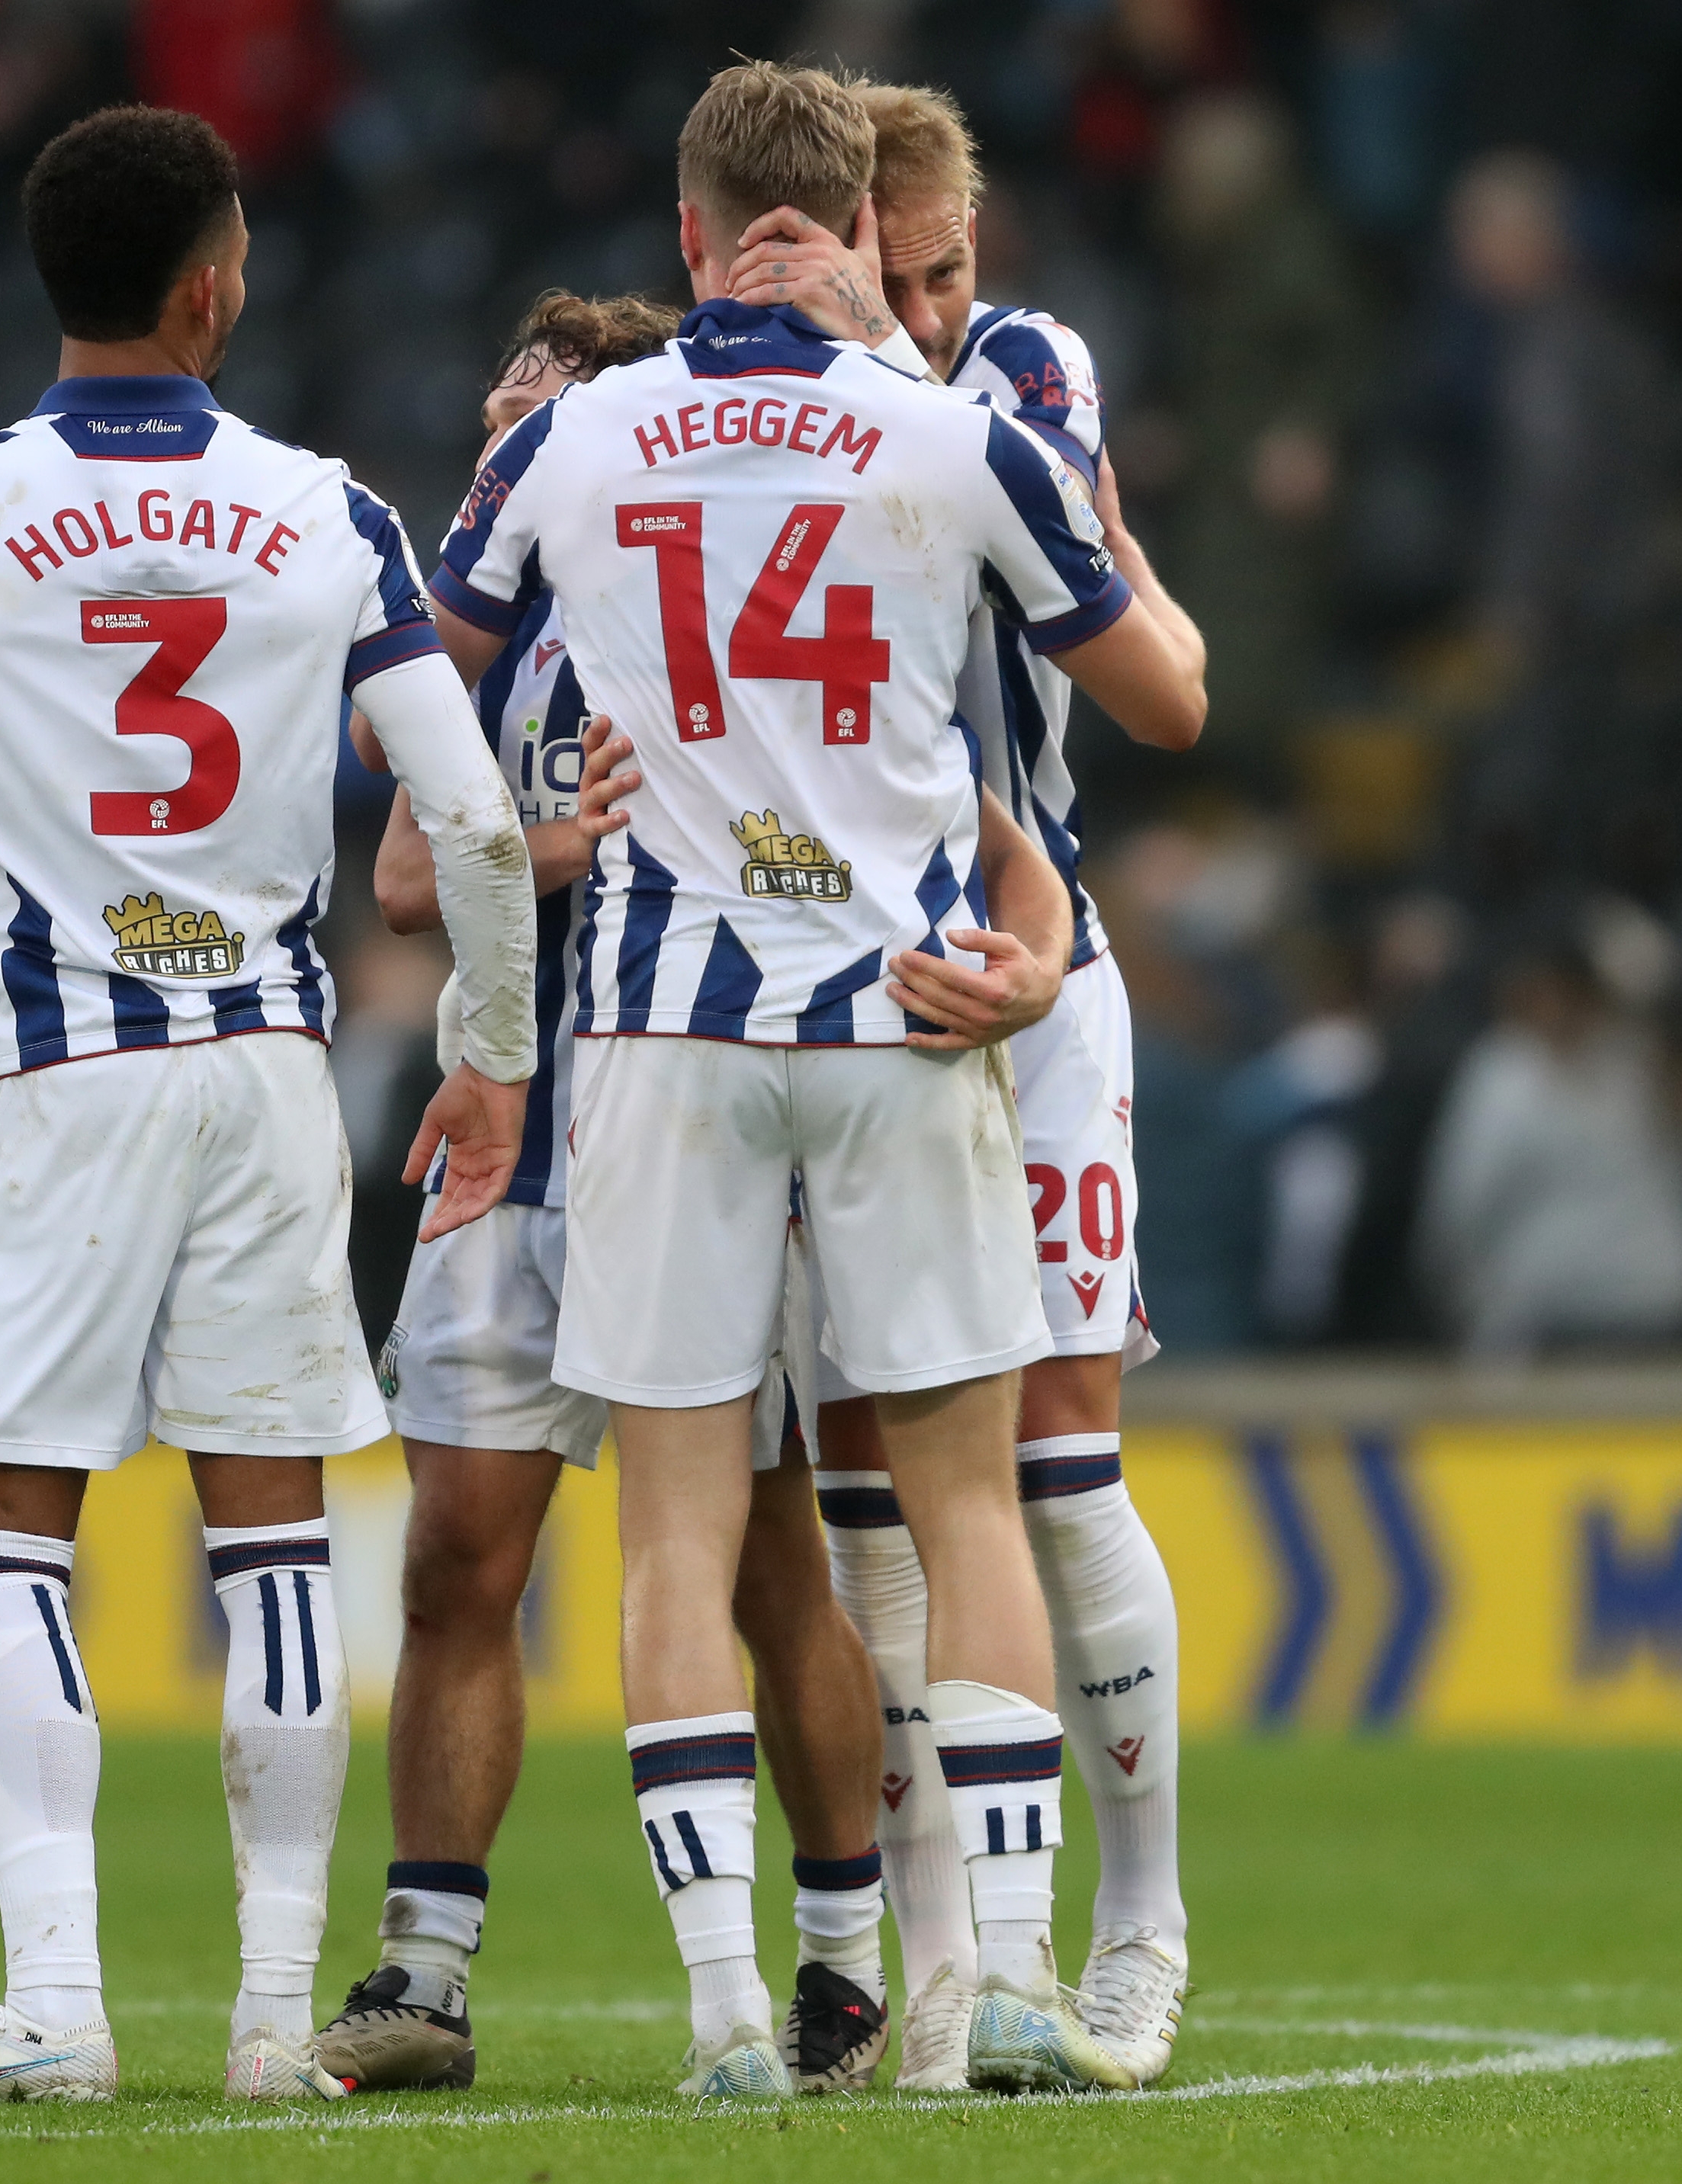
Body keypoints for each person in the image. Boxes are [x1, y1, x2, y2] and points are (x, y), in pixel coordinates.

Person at [426, 59, 1205, 2099]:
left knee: (683, 1532)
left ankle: (725, 2014)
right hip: (908, 1009)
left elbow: (415, 710)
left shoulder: (575, 434)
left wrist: (531, 804)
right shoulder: (952, 436)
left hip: (668, 1033)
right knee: (962, 1499)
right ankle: (1010, 1961)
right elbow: (1159, 694)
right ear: (850, 230)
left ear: (686, 237)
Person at [0, 105, 536, 2106]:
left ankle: (54, 2006)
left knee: (10, 1539)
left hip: (51, 1078)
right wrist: (492, 1054)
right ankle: (281, 2025)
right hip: (267, 1073)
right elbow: (465, 817)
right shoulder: (335, 515)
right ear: (210, 285)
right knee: (271, 1538)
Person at [319, 287, 1080, 2100]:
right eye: (501, 382)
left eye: (544, 389)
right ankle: (425, 1966)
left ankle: (825, 1967)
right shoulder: (493, 638)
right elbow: (415, 870)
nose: (510, 414)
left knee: (759, 1557)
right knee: (458, 1549)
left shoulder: (713, 592)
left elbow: (970, 823)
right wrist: (572, 836)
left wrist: (1029, 961)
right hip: (530, 1125)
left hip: (708, 1103)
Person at [723, 78, 1209, 2089]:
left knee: (1058, 1447)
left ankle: (1137, 1920)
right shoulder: (724, 421)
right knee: (870, 1488)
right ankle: (937, 1961)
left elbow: (1114, 640)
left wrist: (869, 358)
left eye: (942, 269)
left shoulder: (1015, 372)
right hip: (836, 995)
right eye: (886, 273)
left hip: (1036, 976)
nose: (925, 307)